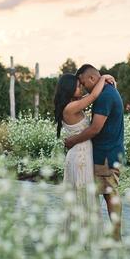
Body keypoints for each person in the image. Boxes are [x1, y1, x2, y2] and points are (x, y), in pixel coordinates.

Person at [54, 71, 116, 246]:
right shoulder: (70, 107)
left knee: (82, 195)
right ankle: (85, 239)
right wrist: (103, 78)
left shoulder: (72, 104)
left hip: (80, 154)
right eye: (78, 85)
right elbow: (94, 95)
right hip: (80, 157)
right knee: (83, 195)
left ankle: (82, 236)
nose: (81, 87)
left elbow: (91, 96)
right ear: (69, 88)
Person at [65, 64, 125, 242]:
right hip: (104, 152)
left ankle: (115, 237)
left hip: (105, 155)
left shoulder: (104, 96)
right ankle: (96, 233)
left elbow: (95, 129)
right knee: (100, 194)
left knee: (109, 194)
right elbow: (89, 98)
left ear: (92, 79)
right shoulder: (105, 92)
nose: (82, 87)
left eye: (83, 82)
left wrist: (72, 141)